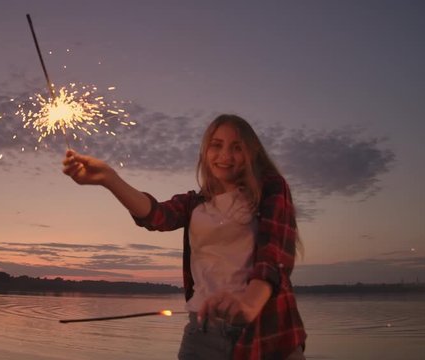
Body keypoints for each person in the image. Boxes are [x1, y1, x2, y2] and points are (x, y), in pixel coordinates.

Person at [63, 114, 306, 359]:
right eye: (216, 145)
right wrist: (109, 179)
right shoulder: (193, 203)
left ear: (252, 153)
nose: (225, 156)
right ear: (204, 151)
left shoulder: (270, 188)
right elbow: (155, 215)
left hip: (265, 332)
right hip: (201, 334)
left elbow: (274, 253)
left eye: (237, 148)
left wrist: (250, 304)